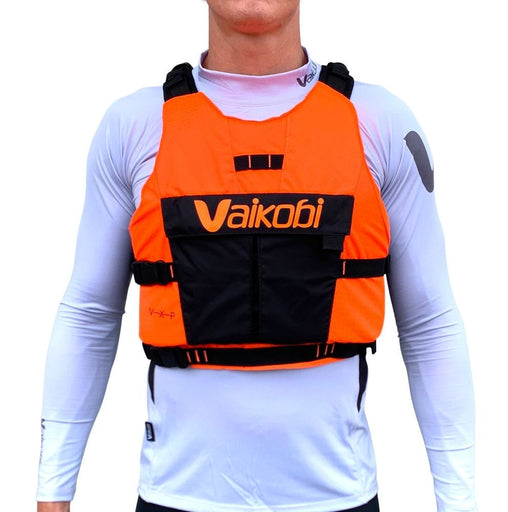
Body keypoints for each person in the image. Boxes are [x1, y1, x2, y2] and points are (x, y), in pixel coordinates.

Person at [37, 1, 477, 511]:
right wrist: (52, 492)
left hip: (340, 498)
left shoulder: (380, 123)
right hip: (174, 497)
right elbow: (89, 312)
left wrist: (459, 501)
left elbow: (429, 321)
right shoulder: (134, 125)